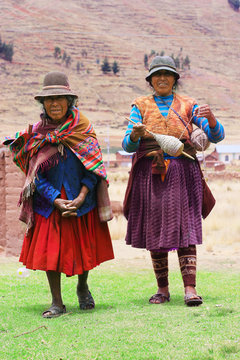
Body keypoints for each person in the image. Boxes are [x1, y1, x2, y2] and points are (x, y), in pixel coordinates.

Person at [4, 71, 114, 317]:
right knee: (50, 253)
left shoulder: (83, 128)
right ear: (42, 104)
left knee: (82, 247)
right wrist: (54, 199)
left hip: (80, 199)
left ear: (70, 101)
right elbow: (34, 176)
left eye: (59, 98)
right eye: (49, 99)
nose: (54, 103)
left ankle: (83, 286)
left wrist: (84, 194)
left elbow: (94, 165)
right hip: (49, 202)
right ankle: (57, 302)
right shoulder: (36, 134)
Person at [122, 56, 225, 306]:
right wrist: (135, 136)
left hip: (183, 171)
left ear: (175, 79)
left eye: (167, 74)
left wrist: (210, 119)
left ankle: (190, 288)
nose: (162, 79)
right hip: (151, 172)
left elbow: (216, 137)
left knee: (185, 226)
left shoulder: (189, 105)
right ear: (150, 81)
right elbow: (127, 145)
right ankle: (162, 289)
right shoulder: (140, 106)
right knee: (156, 226)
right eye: (157, 75)